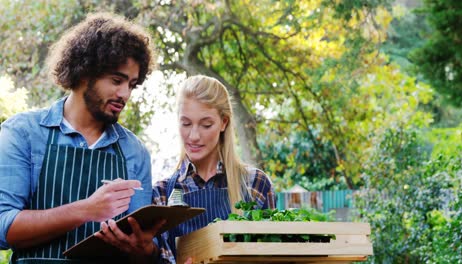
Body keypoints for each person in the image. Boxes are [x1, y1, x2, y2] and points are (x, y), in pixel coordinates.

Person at [0, 12, 163, 263]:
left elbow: (143, 250)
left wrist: (145, 251)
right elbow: (4, 229)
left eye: (131, 84)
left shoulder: (134, 152)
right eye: (117, 80)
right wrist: (87, 209)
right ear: (85, 73)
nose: (125, 94)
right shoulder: (23, 133)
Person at [152, 75, 276, 263]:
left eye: (206, 125)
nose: (193, 136)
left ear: (223, 123)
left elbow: (275, 255)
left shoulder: (256, 184)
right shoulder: (162, 194)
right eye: (185, 123)